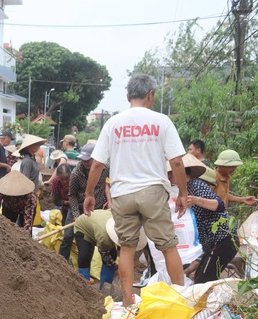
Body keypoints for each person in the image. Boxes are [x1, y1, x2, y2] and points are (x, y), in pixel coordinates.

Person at [84, 73, 188, 307]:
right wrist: (182, 193)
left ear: (128, 95)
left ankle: (129, 304)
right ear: (150, 94)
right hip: (153, 192)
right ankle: (181, 300)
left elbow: (98, 164)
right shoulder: (162, 121)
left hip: (122, 194)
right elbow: (177, 162)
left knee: (127, 249)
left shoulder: (113, 123)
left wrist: (90, 194)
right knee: (168, 246)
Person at [167, 153, 237, 283]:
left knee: (202, 281)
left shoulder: (196, 185)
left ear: (180, 173)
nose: (169, 178)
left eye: (171, 174)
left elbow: (219, 205)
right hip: (212, 242)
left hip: (222, 239)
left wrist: (197, 200)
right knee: (201, 279)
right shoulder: (184, 190)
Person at [59, 143, 109, 260]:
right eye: (84, 160)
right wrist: (76, 214)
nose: (86, 163)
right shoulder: (76, 174)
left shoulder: (105, 169)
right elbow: (72, 195)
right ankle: (62, 262)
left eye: (89, 160)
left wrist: (109, 201)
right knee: (68, 235)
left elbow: (108, 184)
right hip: (79, 206)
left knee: (90, 240)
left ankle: (87, 266)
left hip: (96, 209)